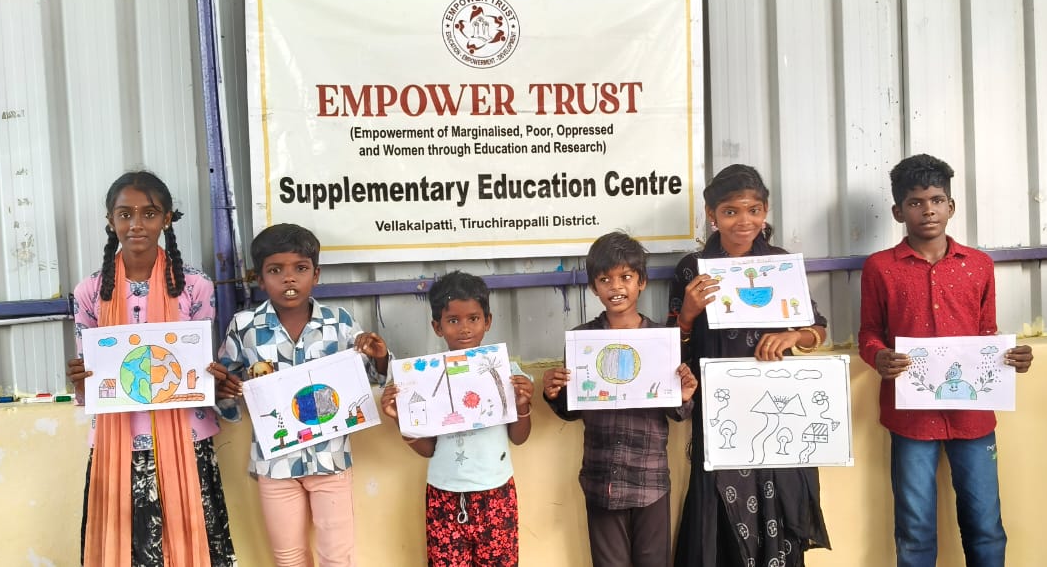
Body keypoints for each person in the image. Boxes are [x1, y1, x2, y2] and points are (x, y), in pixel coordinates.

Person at [858, 153, 1034, 567]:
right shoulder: (880, 268)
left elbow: (987, 333)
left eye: (937, 200)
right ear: (898, 211)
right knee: (914, 529)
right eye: (915, 203)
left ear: (951, 206)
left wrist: (1012, 358)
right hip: (910, 416)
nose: (928, 210)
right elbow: (869, 332)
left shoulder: (979, 265)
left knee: (985, 524)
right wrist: (878, 356)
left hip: (972, 413)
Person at [65, 171, 239, 566]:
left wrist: (215, 380)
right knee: (128, 550)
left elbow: (201, 365)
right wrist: (80, 379)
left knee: (190, 541)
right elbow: (90, 383)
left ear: (167, 219)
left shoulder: (194, 285)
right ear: (110, 221)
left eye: (149, 213)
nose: (136, 224)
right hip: (118, 444)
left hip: (186, 439)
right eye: (125, 214)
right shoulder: (91, 291)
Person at [668, 164, 831, 567]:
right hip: (720, 410)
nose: (744, 221)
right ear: (712, 214)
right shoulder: (692, 268)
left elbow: (818, 330)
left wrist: (795, 336)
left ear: (765, 211)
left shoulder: (779, 263)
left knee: (777, 504)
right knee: (720, 511)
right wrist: (687, 315)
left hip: (777, 408)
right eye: (731, 212)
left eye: (753, 210)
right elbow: (672, 352)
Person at [213, 223, 390, 567]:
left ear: (316, 274)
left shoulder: (338, 322)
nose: (289, 278)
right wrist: (223, 390)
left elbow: (371, 376)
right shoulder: (245, 327)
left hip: (330, 460)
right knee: (288, 557)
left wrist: (380, 357)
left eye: (300, 268)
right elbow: (227, 386)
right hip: (274, 462)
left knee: (336, 556)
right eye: (275, 270)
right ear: (259, 279)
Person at [540, 232, 699, 567]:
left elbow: (677, 413)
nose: (616, 287)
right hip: (602, 481)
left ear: (641, 282)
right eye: (605, 279)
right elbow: (573, 411)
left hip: (649, 480)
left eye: (625, 277)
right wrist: (555, 393)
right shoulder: (583, 341)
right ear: (593, 287)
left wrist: (683, 396)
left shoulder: (661, 341)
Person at [379, 270, 535, 566]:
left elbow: (519, 437)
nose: (464, 328)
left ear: (487, 321)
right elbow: (428, 450)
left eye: (473, 318)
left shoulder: (506, 372)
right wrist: (400, 420)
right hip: (443, 495)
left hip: (496, 493)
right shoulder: (426, 380)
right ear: (437, 327)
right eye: (453, 320)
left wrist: (522, 404)